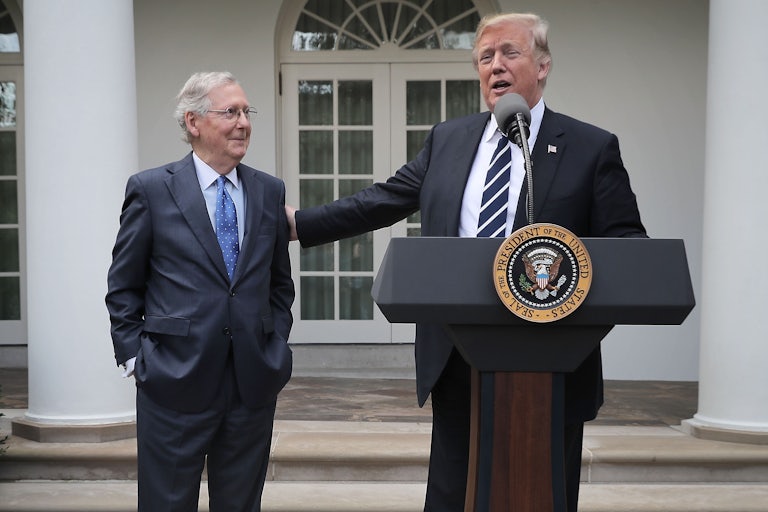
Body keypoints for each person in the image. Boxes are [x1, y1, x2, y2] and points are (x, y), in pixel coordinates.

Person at [286, 12, 646, 512]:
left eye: (509, 53)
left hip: (553, 359)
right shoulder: (448, 140)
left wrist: (571, 303)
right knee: (453, 493)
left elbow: (627, 246)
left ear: (542, 66)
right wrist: (299, 223)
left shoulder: (590, 147)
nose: (495, 65)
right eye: (485, 57)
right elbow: (383, 199)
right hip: (458, 353)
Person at [106, 71, 294, 511]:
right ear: (193, 122)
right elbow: (123, 287)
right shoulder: (151, 190)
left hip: (251, 385)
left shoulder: (269, 191)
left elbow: (279, 285)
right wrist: (137, 359)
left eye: (247, 112)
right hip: (172, 385)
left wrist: (275, 345)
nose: (244, 122)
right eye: (231, 112)